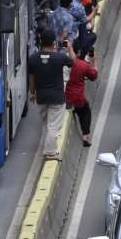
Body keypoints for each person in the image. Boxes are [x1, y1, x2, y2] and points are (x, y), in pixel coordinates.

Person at [28, 29, 75, 161]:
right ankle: (50, 152)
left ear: (41, 42)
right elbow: (74, 62)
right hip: (57, 98)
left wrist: (32, 94)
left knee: (47, 123)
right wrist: (70, 48)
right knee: (54, 126)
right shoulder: (59, 57)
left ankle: (47, 147)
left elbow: (31, 78)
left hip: (41, 97)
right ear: (54, 42)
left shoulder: (33, 58)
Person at [66, 50, 98, 145]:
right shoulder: (82, 65)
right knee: (85, 112)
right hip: (75, 98)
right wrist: (95, 62)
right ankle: (85, 136)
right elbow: (94, 75)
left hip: (60, 95)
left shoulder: (60, 60)